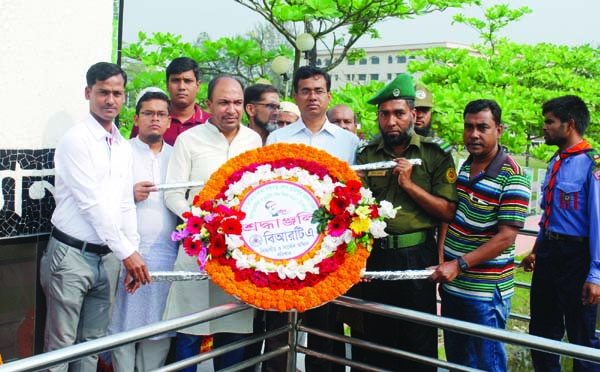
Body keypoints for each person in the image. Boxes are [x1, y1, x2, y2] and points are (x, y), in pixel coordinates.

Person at [39, 62, 150, 372]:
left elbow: (124, 204)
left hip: (108, 257)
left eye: (117, 93)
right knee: (60, 346)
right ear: (88, 93)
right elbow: (93, 206)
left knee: (93, 344)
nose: (110, 100)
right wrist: (128, 253)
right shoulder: (76, 140)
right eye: (103, 92)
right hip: (72, 256)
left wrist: (132, 249)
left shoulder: (121, 145)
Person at [356, 73, 458, 372]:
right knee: (377, 337)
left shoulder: (434, 154)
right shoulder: (366, 154)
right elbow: (356, 213)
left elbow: (448, 212)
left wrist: (410, 185)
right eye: (385, 114)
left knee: (418, 340)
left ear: (413, 115)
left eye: (399, 113)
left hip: (417, 257)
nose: (391, 121)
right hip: (376, 257)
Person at [163, 75, 261, 372]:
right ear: (208, 105)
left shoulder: (253, 140)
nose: (231, 109)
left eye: (237, 103)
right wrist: (200, 222)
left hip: (239, 254)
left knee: (232, 328)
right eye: (223, 102)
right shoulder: (188, 140)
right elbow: (173, 195)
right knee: (190, 328)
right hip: (198, 250)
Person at [265, 65, 359, 372]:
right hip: (285, 245)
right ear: (295, 95)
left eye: (319, 91)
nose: (312, 97)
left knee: (325, 326)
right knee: (280, 325)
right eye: (305, 91)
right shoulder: (277, 138)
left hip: (330, 247)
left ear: (329, 96)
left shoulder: (347, 142)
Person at [429, 99, 530, 371]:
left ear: (499, 129)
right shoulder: (463, 167)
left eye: (482, 127)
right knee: (458, 362)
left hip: (484, 293)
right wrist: (443, 260)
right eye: (469, 127)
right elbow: (451, 217)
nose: (474, 134)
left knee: (489, 363)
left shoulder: (513, 176)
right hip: (453, 286)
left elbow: (506, 237)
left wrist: (459, 264)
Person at [520, 95, 600, 372]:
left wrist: (595, 275)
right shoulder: (556, 160)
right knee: (541, 330)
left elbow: (599, 224)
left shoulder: (593, 165)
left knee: (581, 338)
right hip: (550, 254)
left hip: (578, 257)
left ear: (570, 125)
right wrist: (537, 249)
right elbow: (549, 213)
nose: (545, 128)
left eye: (549, 123)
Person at [108, 88, 179, 371]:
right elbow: (101, 198)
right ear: (136, 119)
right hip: (128, 253)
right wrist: (127, 193)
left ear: (169, 121)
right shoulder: (121, 151)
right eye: (148, 113)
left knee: (159, 329)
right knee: (123, 327)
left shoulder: (177, 156)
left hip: (166, 255)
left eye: (161, 114)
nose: (155, 119)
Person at [130, 57, 210, 145]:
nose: (181, 87)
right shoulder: (147, 120)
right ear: (167, 85)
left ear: (198, 86)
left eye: (187, 81)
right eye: (176, 81)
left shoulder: (211, 123)